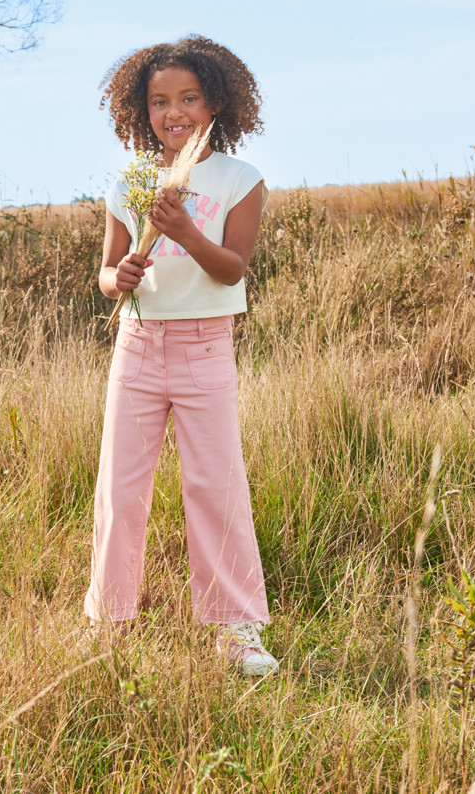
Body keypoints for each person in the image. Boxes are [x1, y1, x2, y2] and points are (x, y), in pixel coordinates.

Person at [84, 35, 278, 677]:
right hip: (136, 349)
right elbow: (107, 273)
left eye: (189, 98)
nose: (176, 112)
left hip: (205, 348)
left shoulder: (240, 181)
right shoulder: (129, 180)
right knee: (120, 488)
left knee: (215, 487)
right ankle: (107, 624)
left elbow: (231, 271)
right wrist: (122, 280)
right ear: (142, 111)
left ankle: (238, 633)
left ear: (215, 101)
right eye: (161, 101)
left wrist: (185, 232)